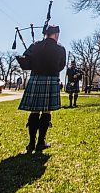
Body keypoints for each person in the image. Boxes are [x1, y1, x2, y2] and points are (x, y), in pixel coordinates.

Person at [17, 25, 66, 153]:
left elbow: (26, 60)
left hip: (36, 78)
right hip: (51, 79)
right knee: (46, 112)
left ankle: (31, 143)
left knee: (34, 112)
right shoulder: (60, 48)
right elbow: (62, 65)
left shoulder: (35, 45)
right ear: (56, 35)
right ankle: (41, 142)